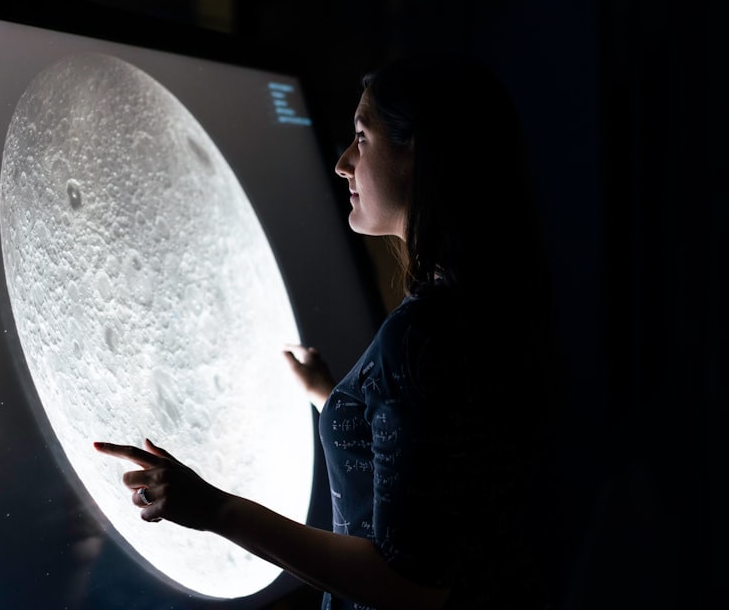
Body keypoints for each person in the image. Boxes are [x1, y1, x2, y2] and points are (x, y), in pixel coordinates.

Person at [95, 52, 556, 609]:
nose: (342, 163)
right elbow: (437, 474)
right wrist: (332, 395)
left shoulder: (423, 337)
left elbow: (404, 586)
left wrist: (215, 508)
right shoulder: (486, 307)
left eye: (361, 139)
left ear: (421, 153)